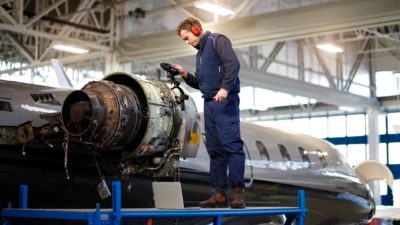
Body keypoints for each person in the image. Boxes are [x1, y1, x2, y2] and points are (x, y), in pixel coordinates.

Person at [173, 17, 245, 209]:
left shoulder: (217, 41)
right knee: (215, 149)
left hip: (225, 101)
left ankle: (238, 193)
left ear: (196, 30)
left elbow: (233, 64)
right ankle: (219, 194)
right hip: (210, 103)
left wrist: (225, 89)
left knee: (231, 146)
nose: (187, 42)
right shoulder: (201, 54)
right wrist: (186, 75)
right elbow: (201, 83)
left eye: (187, 37)